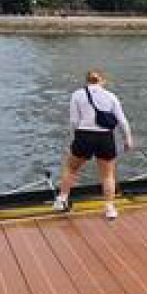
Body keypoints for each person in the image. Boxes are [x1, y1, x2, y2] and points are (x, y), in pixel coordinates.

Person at [53, 70, 134, 219]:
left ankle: (61, 200)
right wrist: (128, 139)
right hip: (105, 137)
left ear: (87, 81)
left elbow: (74, 121)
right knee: (108, 175)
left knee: (71, 168)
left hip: (84, 135)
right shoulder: (110, 96)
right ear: (103, 81)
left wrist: (74, 138)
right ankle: (110, 209)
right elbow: (122, 120)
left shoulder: (77, 94)